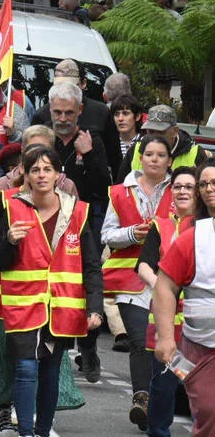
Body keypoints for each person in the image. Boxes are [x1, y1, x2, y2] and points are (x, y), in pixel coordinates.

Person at [0, 145, 104, 437]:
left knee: (49, 372)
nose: (41, 175)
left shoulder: (78, 211)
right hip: (23, 305)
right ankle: (25, 432)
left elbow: (91, 264)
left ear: (58, 174)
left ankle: (41, 429)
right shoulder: (9, 203)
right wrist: (8, 240)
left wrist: (95, 308)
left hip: (62, 307)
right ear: (24, 172)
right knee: (25, 368)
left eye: (48, 169)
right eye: (35, 169)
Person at [102, 133, 173, 427]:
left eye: (160, 155)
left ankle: (158, 404)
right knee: (140, 337)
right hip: (129, 278)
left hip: (168, 278)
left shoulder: (180, 188)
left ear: (169, 160)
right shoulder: (120, 191)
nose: (154, 159)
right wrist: (132, 234)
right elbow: (106, 235)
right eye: (149, 154)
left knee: (164, 341)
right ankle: (141, 397)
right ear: (140, 158)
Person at [136, 165, 198, 437]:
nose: (183, 191)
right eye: (178, 186)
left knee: (199, 386)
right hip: (166, 325)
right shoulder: (159, 227)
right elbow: (143, 265)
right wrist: (164, 287)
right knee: (164, 385)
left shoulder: (206, 227)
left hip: (200, 325)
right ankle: (159, 432)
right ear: (170, 192)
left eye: (189, 187)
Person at [152, 163, 215, 433]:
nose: (209, 188)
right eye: (204, 184)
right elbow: (165, 286)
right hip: (200, 348)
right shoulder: (193, 239)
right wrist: (165, 338)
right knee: (210, 411)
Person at [118, 104, 210, 178]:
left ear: (175, 131)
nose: (155, 137)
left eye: (160, 132)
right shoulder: (136, 150)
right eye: (150, 131)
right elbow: (120, 189)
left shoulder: (195, 153)